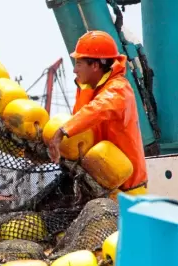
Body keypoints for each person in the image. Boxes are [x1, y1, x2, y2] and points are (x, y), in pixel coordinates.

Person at [48, 30, 148, 198]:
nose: (74, 70)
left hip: (126, 191)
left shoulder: (119, 89)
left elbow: (99, 108)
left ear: (95, 65)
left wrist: (63, 130)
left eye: (79, 64)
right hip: (96, 185)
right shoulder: (87, 90)